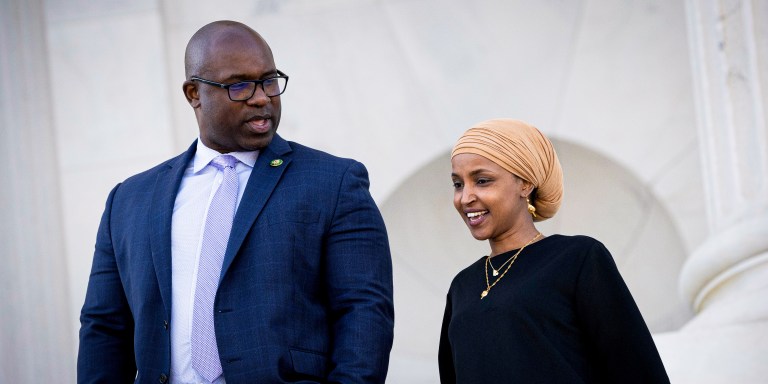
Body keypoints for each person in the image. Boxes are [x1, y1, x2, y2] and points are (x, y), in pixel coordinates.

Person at [77, 20, 394, 384]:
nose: (261, 97)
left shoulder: (334, 182)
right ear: (194, 93)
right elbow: (104, 328)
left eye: (269, 81)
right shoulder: (130, 200)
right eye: (239, 85)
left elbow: (364, 314)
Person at [438, 119, 669, 383]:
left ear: (525, 184)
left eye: (482, 180)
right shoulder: (461, 287)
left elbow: (639, 371)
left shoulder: (577, 259)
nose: (465, 197)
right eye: (458, 184)